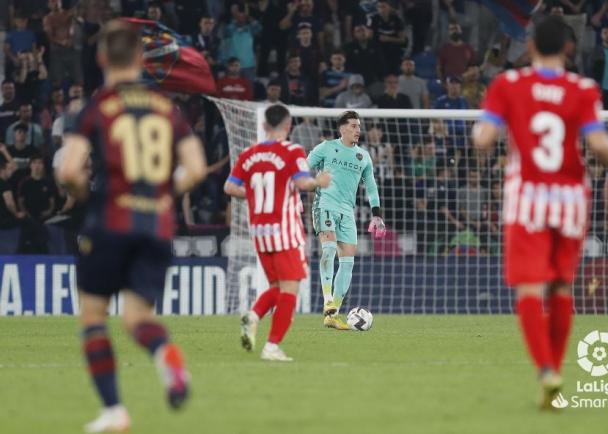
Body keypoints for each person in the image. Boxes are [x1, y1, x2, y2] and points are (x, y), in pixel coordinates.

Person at [472, 16, 608, 409]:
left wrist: (494, 125)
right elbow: (597, 142)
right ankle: (556, 372)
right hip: (571, 200)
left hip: (526, 198)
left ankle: (546, 370)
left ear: (529, 47)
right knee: (561, 287)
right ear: (568, 47)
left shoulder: (508, 84)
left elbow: (482, 139)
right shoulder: (583, 88)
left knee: (529, 289)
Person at [56, 20, 207, 432]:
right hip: (157, 227)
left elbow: (69, 169)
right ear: (142, 60)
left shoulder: (93, 108)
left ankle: (114, 410)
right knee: (138, 318)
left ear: (102, 58)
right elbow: (195, 168)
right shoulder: (167, 108)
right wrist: (161, 195)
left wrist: (90, 196)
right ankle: (167, 359)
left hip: (109, 221)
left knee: (93, 316)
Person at [224, 104, 331, 361]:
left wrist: (253, 194)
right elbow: (303, 183)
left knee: (277, 286)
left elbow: (229, 187)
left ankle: (253, 315)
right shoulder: (292, 150)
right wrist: (319, 182)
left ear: (263, 126)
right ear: (288, 125)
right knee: (290, 290)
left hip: (260, 232)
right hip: (285, 230)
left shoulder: (249, 153)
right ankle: (272, 346)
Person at [308, 111, 386, 329]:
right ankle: (327, 301)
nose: (358, 130)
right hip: (324, 205)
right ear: (342, 128)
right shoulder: (326, 147)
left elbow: (371, 187)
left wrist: (377, 213)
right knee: (329, 249)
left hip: (347, 212)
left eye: (359, 126)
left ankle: (332, 316)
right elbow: (302, 169)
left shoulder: (363, 156)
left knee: (348, 263)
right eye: (353, 126)